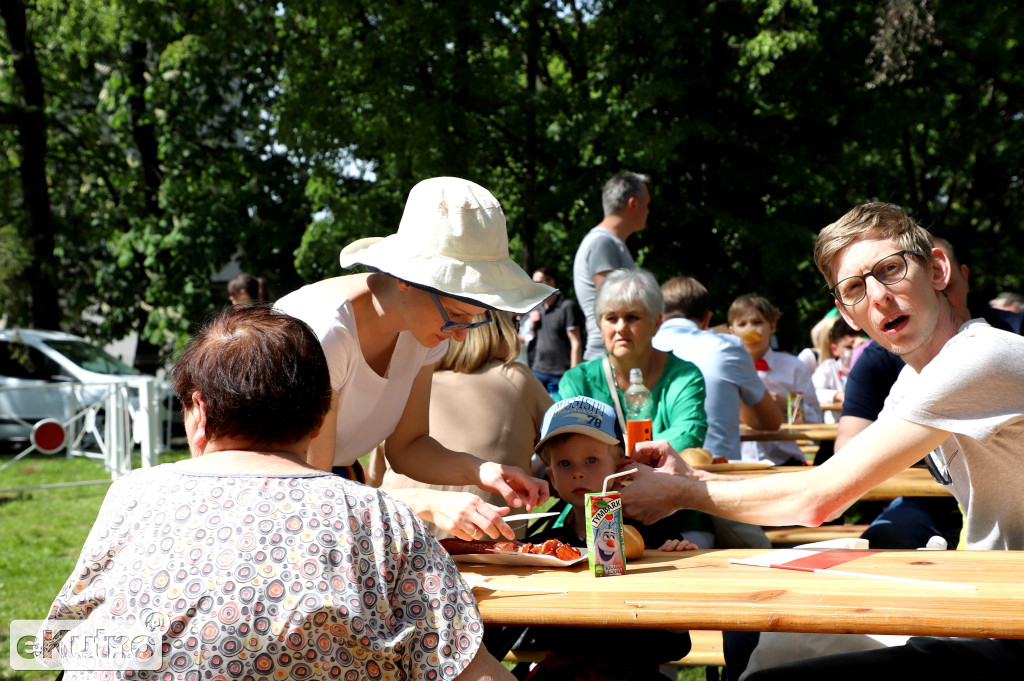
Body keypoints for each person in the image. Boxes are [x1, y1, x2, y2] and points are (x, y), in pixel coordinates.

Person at [616, 202, 1024, 679]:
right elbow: (827, 481)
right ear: (846, 315)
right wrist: (694, 475)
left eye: (890, 270)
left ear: (936, 269)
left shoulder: (982, 357)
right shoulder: (913, 382)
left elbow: (818, 500)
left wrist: (680, 492)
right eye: (854, 287)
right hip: (991, 602)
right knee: (751, 626)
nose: (878, 296)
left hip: (1007, 624)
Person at [35, 305, 514, 681]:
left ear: (198, 412)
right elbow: (469, 672)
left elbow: (61, 642)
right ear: (323, 412)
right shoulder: (380, 519)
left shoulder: (133, 495)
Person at [275, 177, 555, 542]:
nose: (460, 335)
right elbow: (313, 491)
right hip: (285, 511)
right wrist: (423, 502)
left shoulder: (423, 330)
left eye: (475, 317)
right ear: (407, 279)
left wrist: (482, 471)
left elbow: (409, 446)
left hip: (333, 498)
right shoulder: (324, 334)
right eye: (455, 313)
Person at [486, 397, 693, 681]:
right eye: (565, 463)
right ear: (552, 477)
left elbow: (678, 646)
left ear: (621, 470)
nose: (578, 471)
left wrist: (676, 572)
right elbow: (516, 629)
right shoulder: (546, 543)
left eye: (592, 460)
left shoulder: (653, 534)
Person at [556, 268, 716, 548]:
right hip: (591, 516)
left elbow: (687, 437)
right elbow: (567, 447)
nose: (620, 327)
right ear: (598, 325)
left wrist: (605, 459)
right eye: (611, 318)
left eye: (632, 317)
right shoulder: (577, 380)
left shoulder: (684, 376)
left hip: (676, 517)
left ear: (656, 323)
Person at [371, 310, 553, 539]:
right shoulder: (517, 378)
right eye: (515, 324)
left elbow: (375, 479)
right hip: (484, 549)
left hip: (396, 539)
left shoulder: (409, 383)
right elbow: (564, 449)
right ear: (502, 330)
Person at [653, 276, 783, 460]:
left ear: (657, 316)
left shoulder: (643, 349)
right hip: (718, 476)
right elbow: (771, 421)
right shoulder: (728, 347)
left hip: (650, 471)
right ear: (707, 319)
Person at [729, 294, 822, 465]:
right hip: (738, 461)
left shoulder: (794, 367)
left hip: (785, 461)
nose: (750, 329)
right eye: (742, 324)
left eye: (757, 322)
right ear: (732, 331)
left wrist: (787, 403)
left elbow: (816, 420)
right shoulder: (725, 369)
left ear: (772, 326)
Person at [573, 172, 650, 360]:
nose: (648, 211)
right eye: (647, 205)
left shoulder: (609, 243)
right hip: (608, 359)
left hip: (613, 356)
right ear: (633, 204)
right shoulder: (602, 243)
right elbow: (616, 304)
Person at [528, 266, 585, 394]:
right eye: (533, 283)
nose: (535, 286)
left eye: (538, 282)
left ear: (551, 282)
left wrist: (573, 375)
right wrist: (532, 325)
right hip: (538, 371)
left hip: (560, 374)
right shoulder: (538, 307)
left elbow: (576, 343)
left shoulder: (567, 307)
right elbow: (534, 337)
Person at [810, 317, 865, 422]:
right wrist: (838, 396)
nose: (854, 352)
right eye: (849, 347)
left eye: (859, 346)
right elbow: (813, 392)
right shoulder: (828, 367)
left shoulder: (873, 367)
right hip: (834, 428)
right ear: (835, 350)